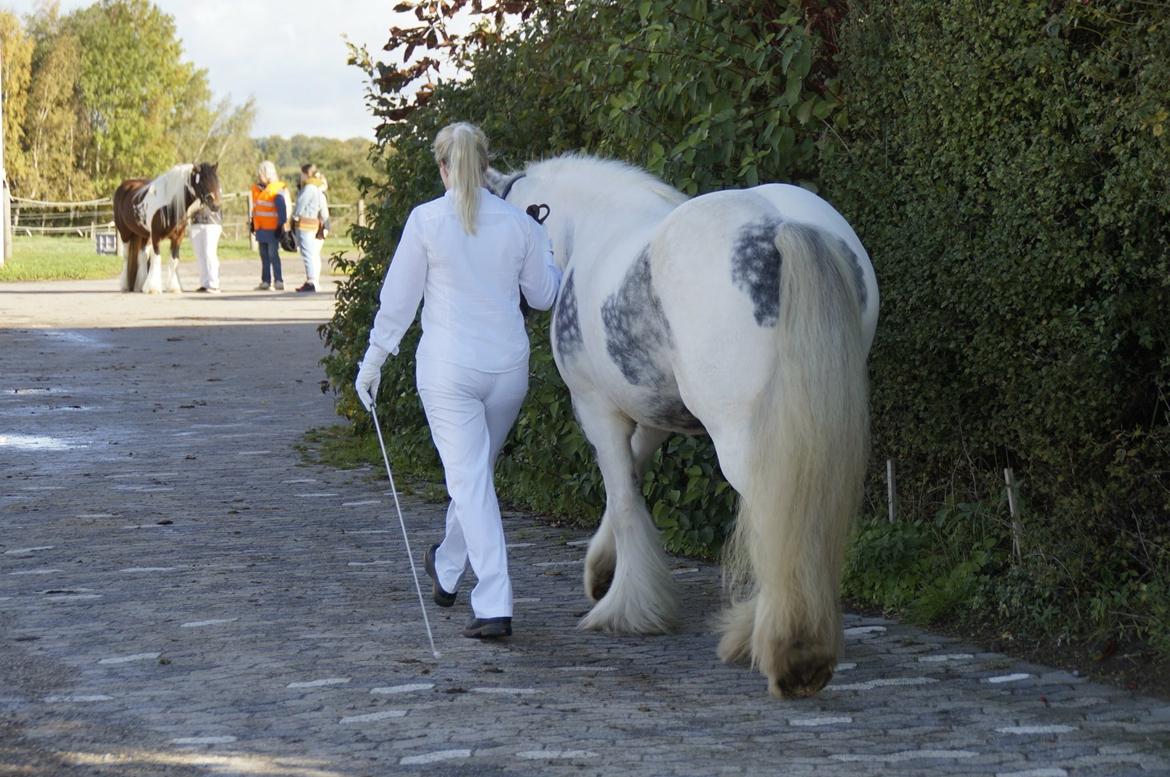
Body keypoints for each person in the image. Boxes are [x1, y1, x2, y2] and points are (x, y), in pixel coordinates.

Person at [354, 122, 562, 640]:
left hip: (448, 371)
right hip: (507, 370)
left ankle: (494, 601)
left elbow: (399, 301)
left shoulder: (426, 221)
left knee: (470, 482)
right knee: (474, 478)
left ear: (443, 167)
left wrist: (374, 360)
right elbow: (543, 296)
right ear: (486, 164)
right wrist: (550, 251)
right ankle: (447, 568)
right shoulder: (520, 224)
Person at [249, 160, 292, 291]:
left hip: (273, 229)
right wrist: (252, 222)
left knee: (273, 255)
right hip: (261, 228)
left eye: (260, 174)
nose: (258, 176)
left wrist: (281, 225)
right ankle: (266, 281)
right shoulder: (257, 189)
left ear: (268, 174)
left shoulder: (276, 189)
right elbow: (256, 207)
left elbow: (281, 208)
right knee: (264, 256)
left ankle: (278, 280)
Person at [293, 163, 331, 293]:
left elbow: (300, 204)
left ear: (306, 174)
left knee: (307, 253)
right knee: (314, 254)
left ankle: (311, 280)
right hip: (314, 224)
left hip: (306, 224)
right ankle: (315, 280)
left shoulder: (309, 187)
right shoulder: (318, 187)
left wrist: (294, 216)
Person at [190, 202, 223, 293]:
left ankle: (214, 284)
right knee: (199, 255)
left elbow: (215, 202)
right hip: (196, 222)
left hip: (212, 222)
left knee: (210, 253)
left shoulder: (215, 188)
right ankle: (205, 284)